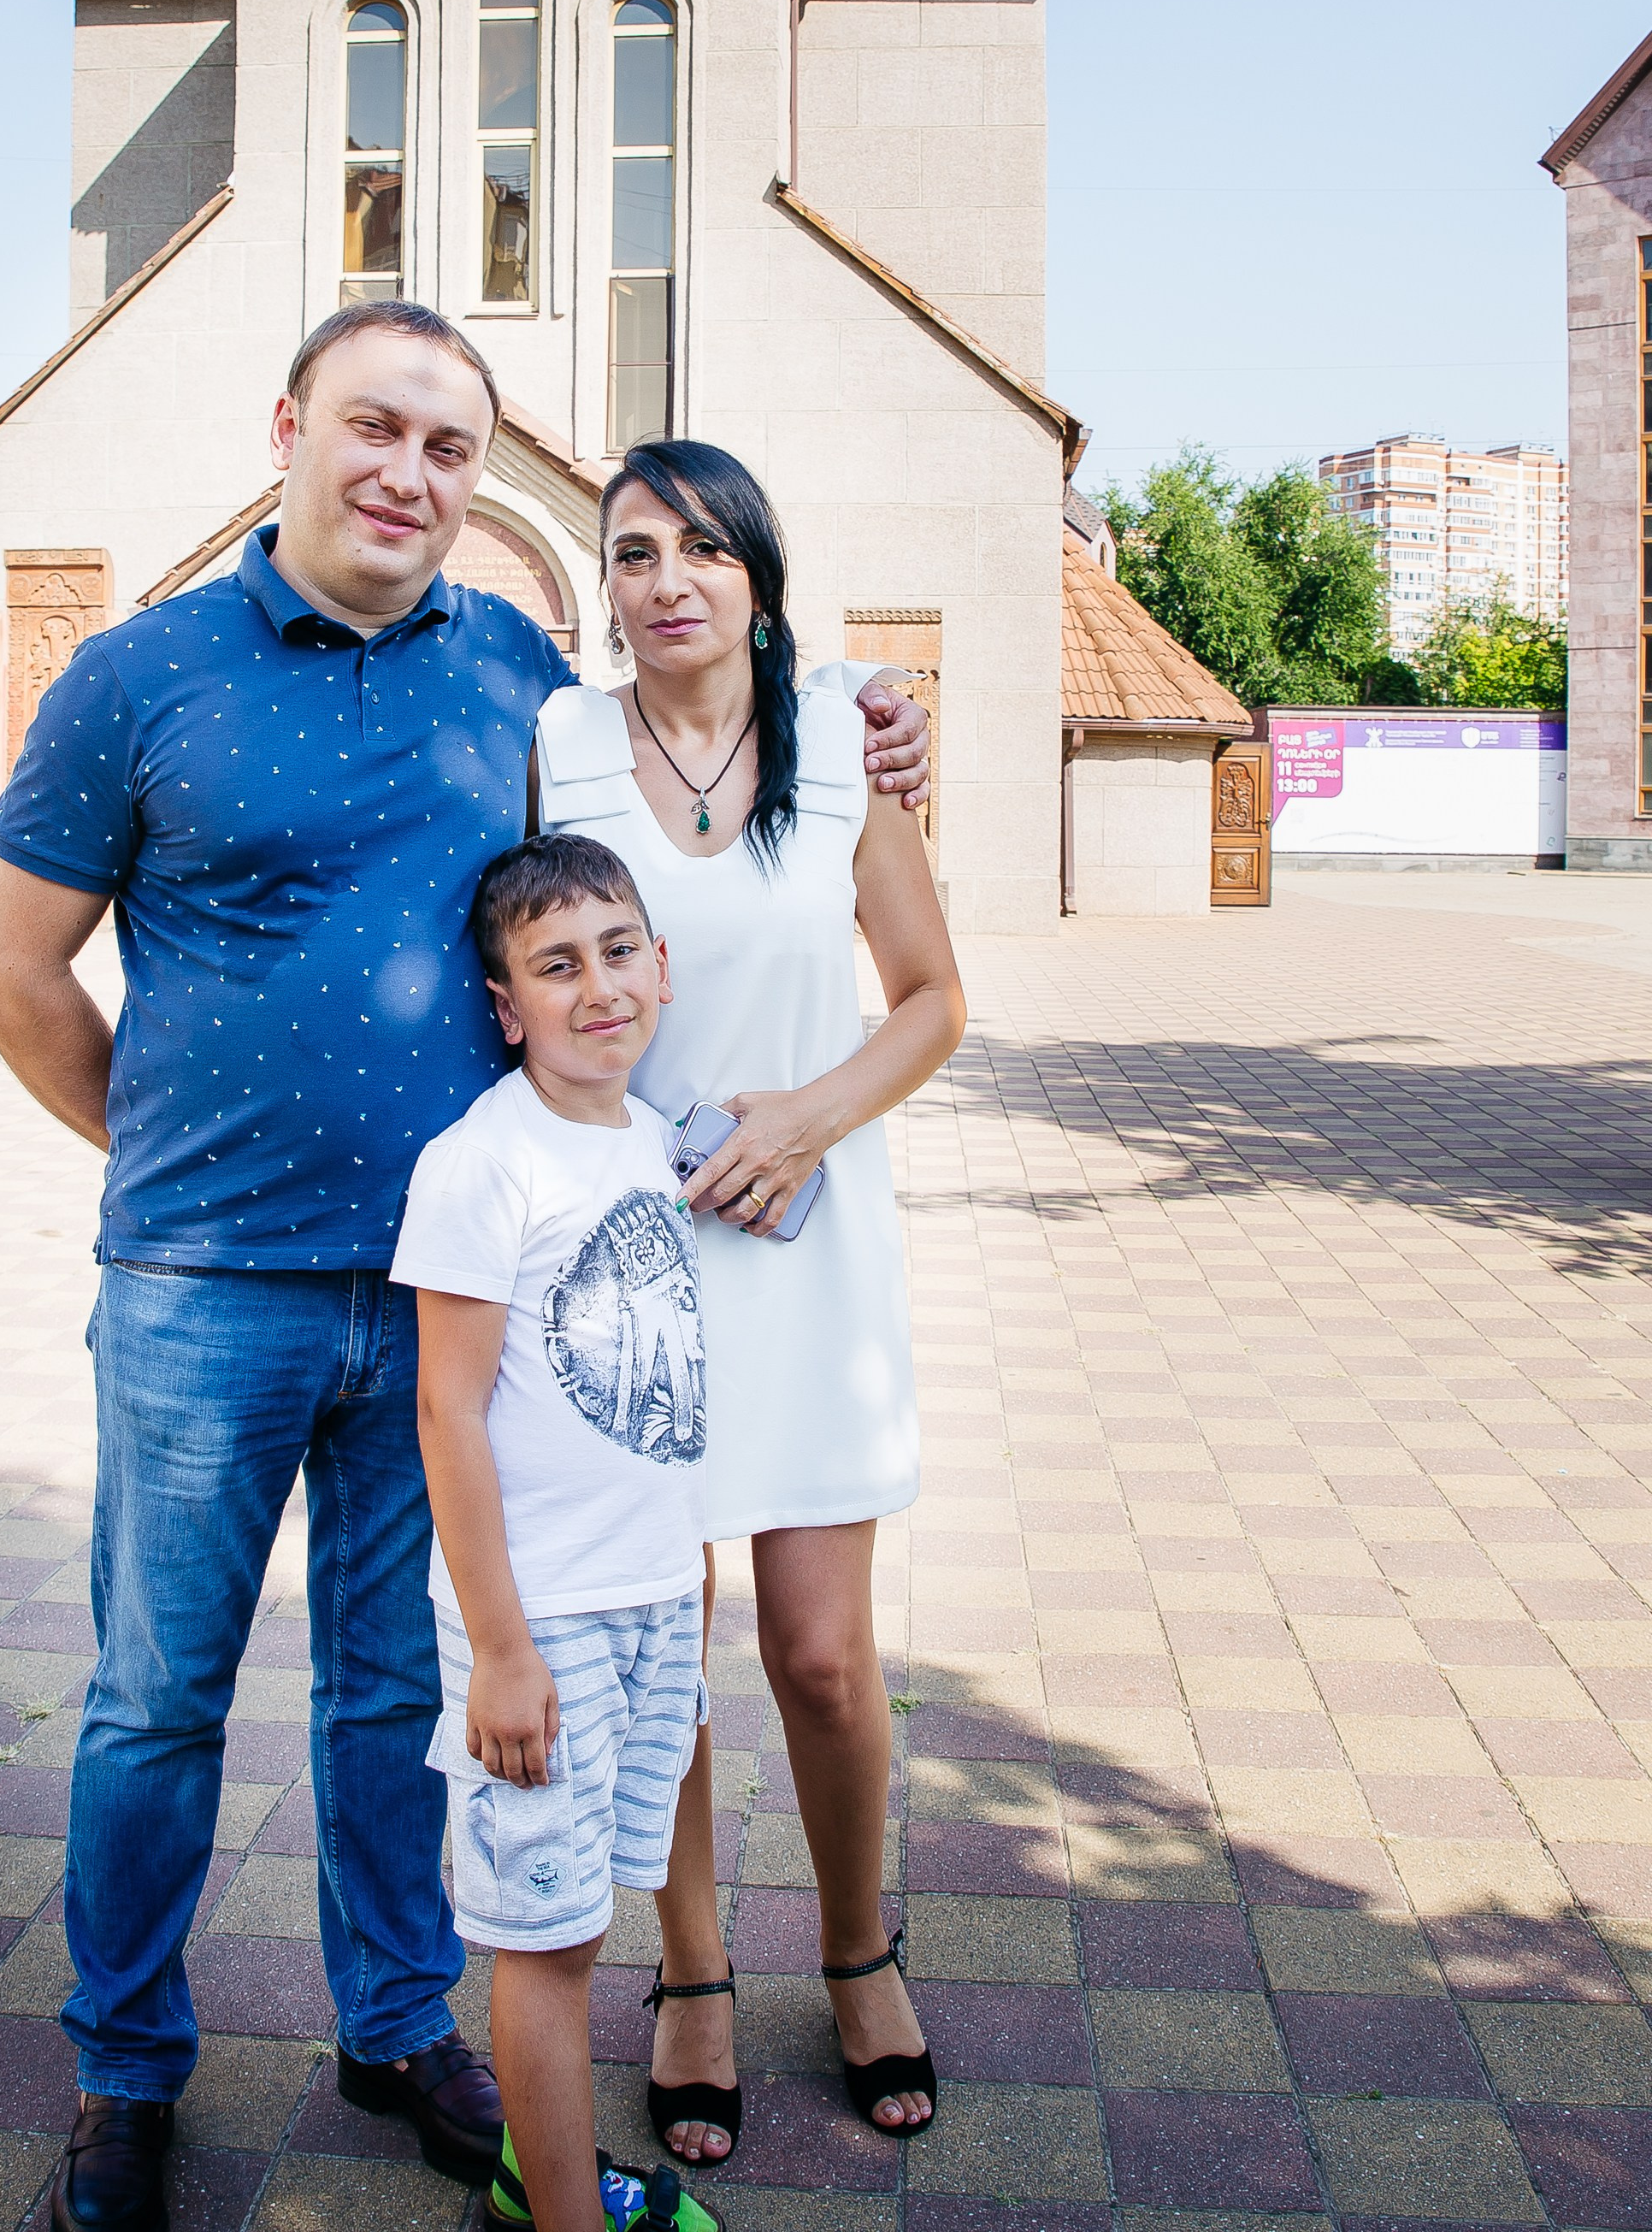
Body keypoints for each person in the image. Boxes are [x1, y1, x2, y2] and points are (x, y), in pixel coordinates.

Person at [0, 304, 929, 2232]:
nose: (409, 474)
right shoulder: (137, 677)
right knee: (156, 1697)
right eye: (374, 430)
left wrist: (892, 724)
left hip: (453, 1309)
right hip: (202, 1293)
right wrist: (167, 1163)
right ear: (291, 429)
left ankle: (398, 2023)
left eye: (452, 448)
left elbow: (712, 726)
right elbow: (5, 970)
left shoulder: (515, 672)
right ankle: (126, 2070)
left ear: (481, 483)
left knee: (396, 1689)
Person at [534, 437, 967, 2167]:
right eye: (635, 552)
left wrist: (808, 1117)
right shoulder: (559, 743)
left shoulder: (850, 750)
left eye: (703, 548)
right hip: (625, 1256)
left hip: (808, 1241)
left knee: (820, 1654)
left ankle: (859, 1950)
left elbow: (933, 998)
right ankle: (694, 1971)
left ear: (758, 579)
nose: (666, 581)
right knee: (661, 1653)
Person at [395, 834, 723, 2232]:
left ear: (662, 963)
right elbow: (446, 1416)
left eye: (618, 949)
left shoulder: (659, 1143)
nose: (598, 986)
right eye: (556, 965)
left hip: (655, 1604)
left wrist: (692, 1573)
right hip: (542, 1629)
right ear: (504, 1002)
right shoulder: (482, 1164)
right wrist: (500, 1651)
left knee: (590, 1911)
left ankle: (551, 2174)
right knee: (544, 1944)